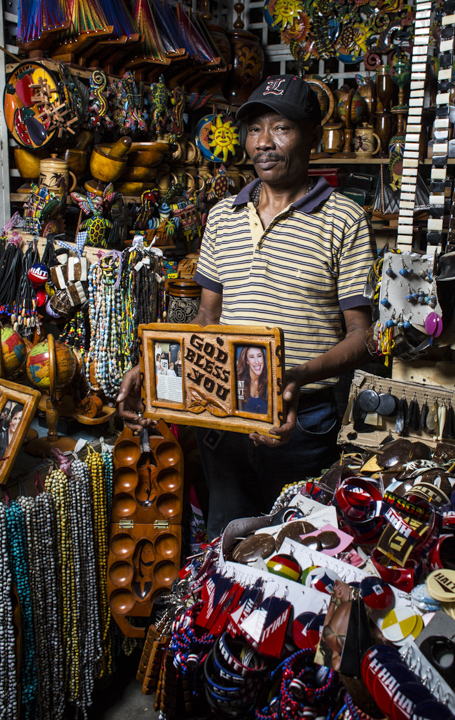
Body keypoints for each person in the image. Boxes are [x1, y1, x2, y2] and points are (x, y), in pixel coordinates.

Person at [118, 75, 376, 539]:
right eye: (255, 129)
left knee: (299, 550)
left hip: (301, 421)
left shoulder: (345, 218)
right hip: (225, 415)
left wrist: (295, 374)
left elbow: (362, 337)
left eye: (281, 128)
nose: (264, 143)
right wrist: (155, 368)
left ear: (313, 136)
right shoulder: (223, 215)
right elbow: (206, 320)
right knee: (226, 544)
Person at [237, 346, 268, 414]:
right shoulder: (239, 383)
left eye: (259, 356)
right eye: (251, 357)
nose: (257, 361)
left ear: (263, 358)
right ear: (247, 361)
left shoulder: (269, 382)